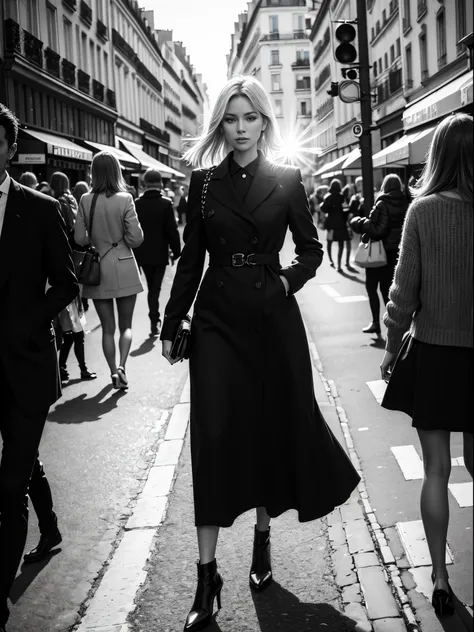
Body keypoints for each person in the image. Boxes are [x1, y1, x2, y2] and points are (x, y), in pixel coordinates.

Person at [160, 75, 360, 632]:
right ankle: (206, 576)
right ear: (220, 124)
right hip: (219, 320)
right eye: (231, 118)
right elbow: (191, 259)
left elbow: (312, 249)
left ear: (265, 122)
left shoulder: (287, 178)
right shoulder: (202, 183)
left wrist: (283, 283)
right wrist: (172, 321)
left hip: (274, 320)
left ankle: (263, 534)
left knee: (270, 427)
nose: (241, 128)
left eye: (250, 118)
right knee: (215, 434)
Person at [380, 113, 473, 617]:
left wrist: (392, 347)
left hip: (436, 353)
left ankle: (438, 575)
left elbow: (403, 292)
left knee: (436, 470)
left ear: (437, 156)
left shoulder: (424, 210)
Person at [0, 103, 78, 632]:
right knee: (19, 468)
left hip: (26, 363)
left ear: (9, 147)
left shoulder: (40, 208)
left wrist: (27, 322)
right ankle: (49, 528)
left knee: (6, 490)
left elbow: (68, 284)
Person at [74, 151, 144, 390]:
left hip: (98, 270)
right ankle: (123, 367)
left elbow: (79, 239)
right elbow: (136, 239)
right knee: (126, 326)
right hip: (124, 264)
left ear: (93, 172)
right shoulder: (125, 199)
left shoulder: (85, 199)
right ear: (117, 171)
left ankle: (113, 372)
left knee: (107, 328)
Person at [50, 173, 96, 383]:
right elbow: (80, 237)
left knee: (64, 330)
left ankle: (62, 368)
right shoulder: (73, 202)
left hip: (57, 272)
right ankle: (77, 368)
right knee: (76, 328)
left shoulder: (54, 204)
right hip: (74, 270)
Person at [350, 173, 408, 334]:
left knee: (372, 287)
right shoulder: (406, 202)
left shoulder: (382, 203)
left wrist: (361, 223)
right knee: (388, 288)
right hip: (397, 251)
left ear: (385, 186)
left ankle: (377, 322)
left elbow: (379, 229)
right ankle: (394, 322)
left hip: (380, 251)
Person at [133, 168, 181, 336]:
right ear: (160, 184)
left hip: (142, 254)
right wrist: (176, 252)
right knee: (156, 289)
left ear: (144, 184)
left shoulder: (137, 203)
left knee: (151, 288)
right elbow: (172, 231)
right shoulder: (166, 203)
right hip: (160, 253)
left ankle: (154, 319)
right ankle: (155, 320)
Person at [320, 178, 354, 271]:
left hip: (331, 223)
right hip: (341, 223)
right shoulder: (342, 197)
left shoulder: (327, 196)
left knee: (329, 242)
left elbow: (323, 208)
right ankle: (339, 265)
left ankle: (331, 261)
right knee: (341, 244)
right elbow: (346, 208)